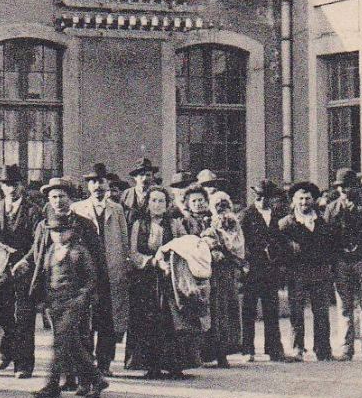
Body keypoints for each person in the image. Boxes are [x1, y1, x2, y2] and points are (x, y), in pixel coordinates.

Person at [26, 178, 108, 398]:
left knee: (77, 337)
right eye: (54, 197)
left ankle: (83, 381)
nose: (58, 201)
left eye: (62, 196)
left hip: (76, 296)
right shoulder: (44, 226)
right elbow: (37, 254)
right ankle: (82, 379)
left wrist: (90, 293)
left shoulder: (84, 225)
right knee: (65, 340)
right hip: (53, 295)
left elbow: (96, 263)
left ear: (70, 199)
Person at [126, 185, 193, 377]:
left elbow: (186, 246)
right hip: (146, 278)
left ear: (167, 204)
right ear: (147, 204)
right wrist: (153, 262)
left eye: (161, 201)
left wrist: (171, 262)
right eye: (153, 201)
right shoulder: (139, 224)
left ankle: (174, 365)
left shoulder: (174, 225)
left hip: (170, 278)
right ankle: (151, 365)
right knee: (148, 320)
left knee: (172, 320)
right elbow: (133, 252)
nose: (157, 205)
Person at [73, 162, 131, 377]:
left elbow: (124, 241)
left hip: (110, 270)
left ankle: (105, 363)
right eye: (94, 182)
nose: (98, 186)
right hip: (87, 272)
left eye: (101, 182)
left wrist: (123, 266)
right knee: (86, 318)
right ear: (88, 186)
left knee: (108, 319)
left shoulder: (116, 210)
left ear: (107, 185)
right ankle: (87, 362)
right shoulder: (78, 209)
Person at [324, 167, 362, 361]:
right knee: (344, 307)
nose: (343, 190)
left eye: (347, 186)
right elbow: (327, 237)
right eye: (340, 187)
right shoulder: (332, 208)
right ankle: (345, 348)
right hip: (342, 262)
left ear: (356, 187)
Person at [0, 164, 41, 377]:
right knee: (3, 314)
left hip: (24, 271)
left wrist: (26, 261)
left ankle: (24, 363)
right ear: (1, 187)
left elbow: (38, 243)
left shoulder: (32, 211)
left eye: (14, 184)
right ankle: (5, 354)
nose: (11, 189)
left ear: (22, 186)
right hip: (1, 270)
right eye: (6, 185)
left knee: (24, 316)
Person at [278, 181, 336, 361]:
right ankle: (297, 348)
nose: (304, 202)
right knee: (296, 312)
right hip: (297, 273)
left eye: (307, 199)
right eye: (300, 199)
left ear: (314, 200)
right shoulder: (286, 223)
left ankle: (323, 349)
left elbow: (330, 246)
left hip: (320, 272)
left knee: (321, 312)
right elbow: (280, 248)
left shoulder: (322, 221)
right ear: (293, 201)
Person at [238, 180, 293, 362]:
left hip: (271, 269)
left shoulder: (278, 215)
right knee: (249, 310)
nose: (263, 201)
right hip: (252, 269)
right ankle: (248, 349)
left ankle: (274, 349)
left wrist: (280, 259)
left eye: (267, 198)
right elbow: (239, 242)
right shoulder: (246, 215)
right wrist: (244, 263)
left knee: (271, 309)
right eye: (260, 197)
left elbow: (282, 240)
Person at [197, 189, 246, 367]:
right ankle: (210, 351)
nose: (221, 208)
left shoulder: (235, 224)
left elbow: (238, 247)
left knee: (227, 310)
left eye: (224, 204)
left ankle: (225, 351)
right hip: (212, 272)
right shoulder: (208, 223)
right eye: (217, 205)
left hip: (228, 272)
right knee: (214, 310)